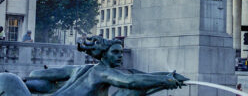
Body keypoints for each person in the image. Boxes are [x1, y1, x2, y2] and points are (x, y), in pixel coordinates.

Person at [0, 35, 185, 95]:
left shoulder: (81, 69)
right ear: (103, 53)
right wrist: (165, 80)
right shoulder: (102, 72)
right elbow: (130, 82)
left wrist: (168, 76)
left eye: (121, 52)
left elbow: (37, 73)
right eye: (115, 52)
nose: (120, 56)